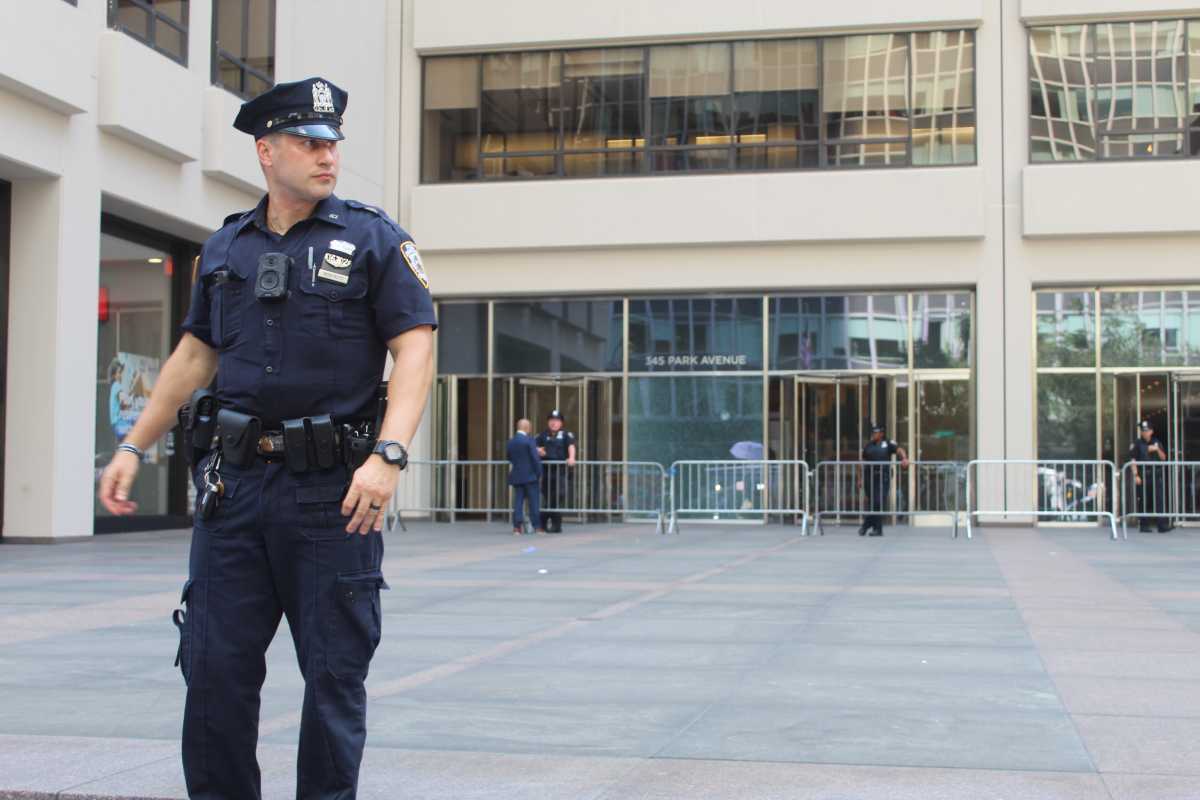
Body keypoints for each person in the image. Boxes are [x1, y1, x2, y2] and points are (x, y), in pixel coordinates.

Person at [96, 77, 436, 800]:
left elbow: (416, 348)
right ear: (266, 151)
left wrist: (389, 454)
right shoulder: (225, 247)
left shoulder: (373, 239)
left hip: (333, 496)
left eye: (332, 145)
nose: (327, 158)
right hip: (235, 492)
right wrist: (133, 445)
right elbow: (194, 356)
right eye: (310, 144)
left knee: (334, 678)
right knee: (213, 672)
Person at [859, 423, 909, 537]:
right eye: (873, 432)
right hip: (869, 477)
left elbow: (899, 449)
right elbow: (861, 462)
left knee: (878, 502)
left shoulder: (888, 443)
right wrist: (860, 478)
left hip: (883, 477)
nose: (874, 434)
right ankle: (876, 529)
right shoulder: (868, 445)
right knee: (873, 504)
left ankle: (866, 526)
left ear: (881, 434)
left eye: (876, 432)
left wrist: (904, 458)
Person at [536, 409, 576, 533]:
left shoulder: (566, 435)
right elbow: (534, 446)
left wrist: (571, 457)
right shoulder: (542, 435)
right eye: (552, 421)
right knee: (548, 497)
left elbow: (571, 446)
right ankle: (552, 525)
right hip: (547, 472)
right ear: (548, 422)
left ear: (561, 423)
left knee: (558, 496)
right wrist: (538, 451)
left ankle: (549, 521)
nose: (554, 423)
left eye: (557, 421)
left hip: (560, 471)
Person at [1129, 419, 1171, 533]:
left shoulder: (1156, 442)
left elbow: (1163, 458)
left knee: (1159, 500)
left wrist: (1157, 449)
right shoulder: (1137, 443)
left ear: (1151, 431)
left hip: (1156, 475)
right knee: (1144, 500)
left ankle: (1162, 525)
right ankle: (1144, 525)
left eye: (1146, 430)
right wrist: (1136, 475)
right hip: (1143, 475)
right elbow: (1133, 460)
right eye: (1142, 430)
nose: (1144, 432)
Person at [506, 418, 544, 535]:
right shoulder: (529, 441)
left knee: (518, 502)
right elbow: (535, 458)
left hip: (517, 475)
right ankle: (537, 526)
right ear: (527, 428)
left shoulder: (511, 441)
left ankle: (517, 527)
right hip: (530, 476)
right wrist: (539, 473)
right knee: (534, 502)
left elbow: (509, 457)